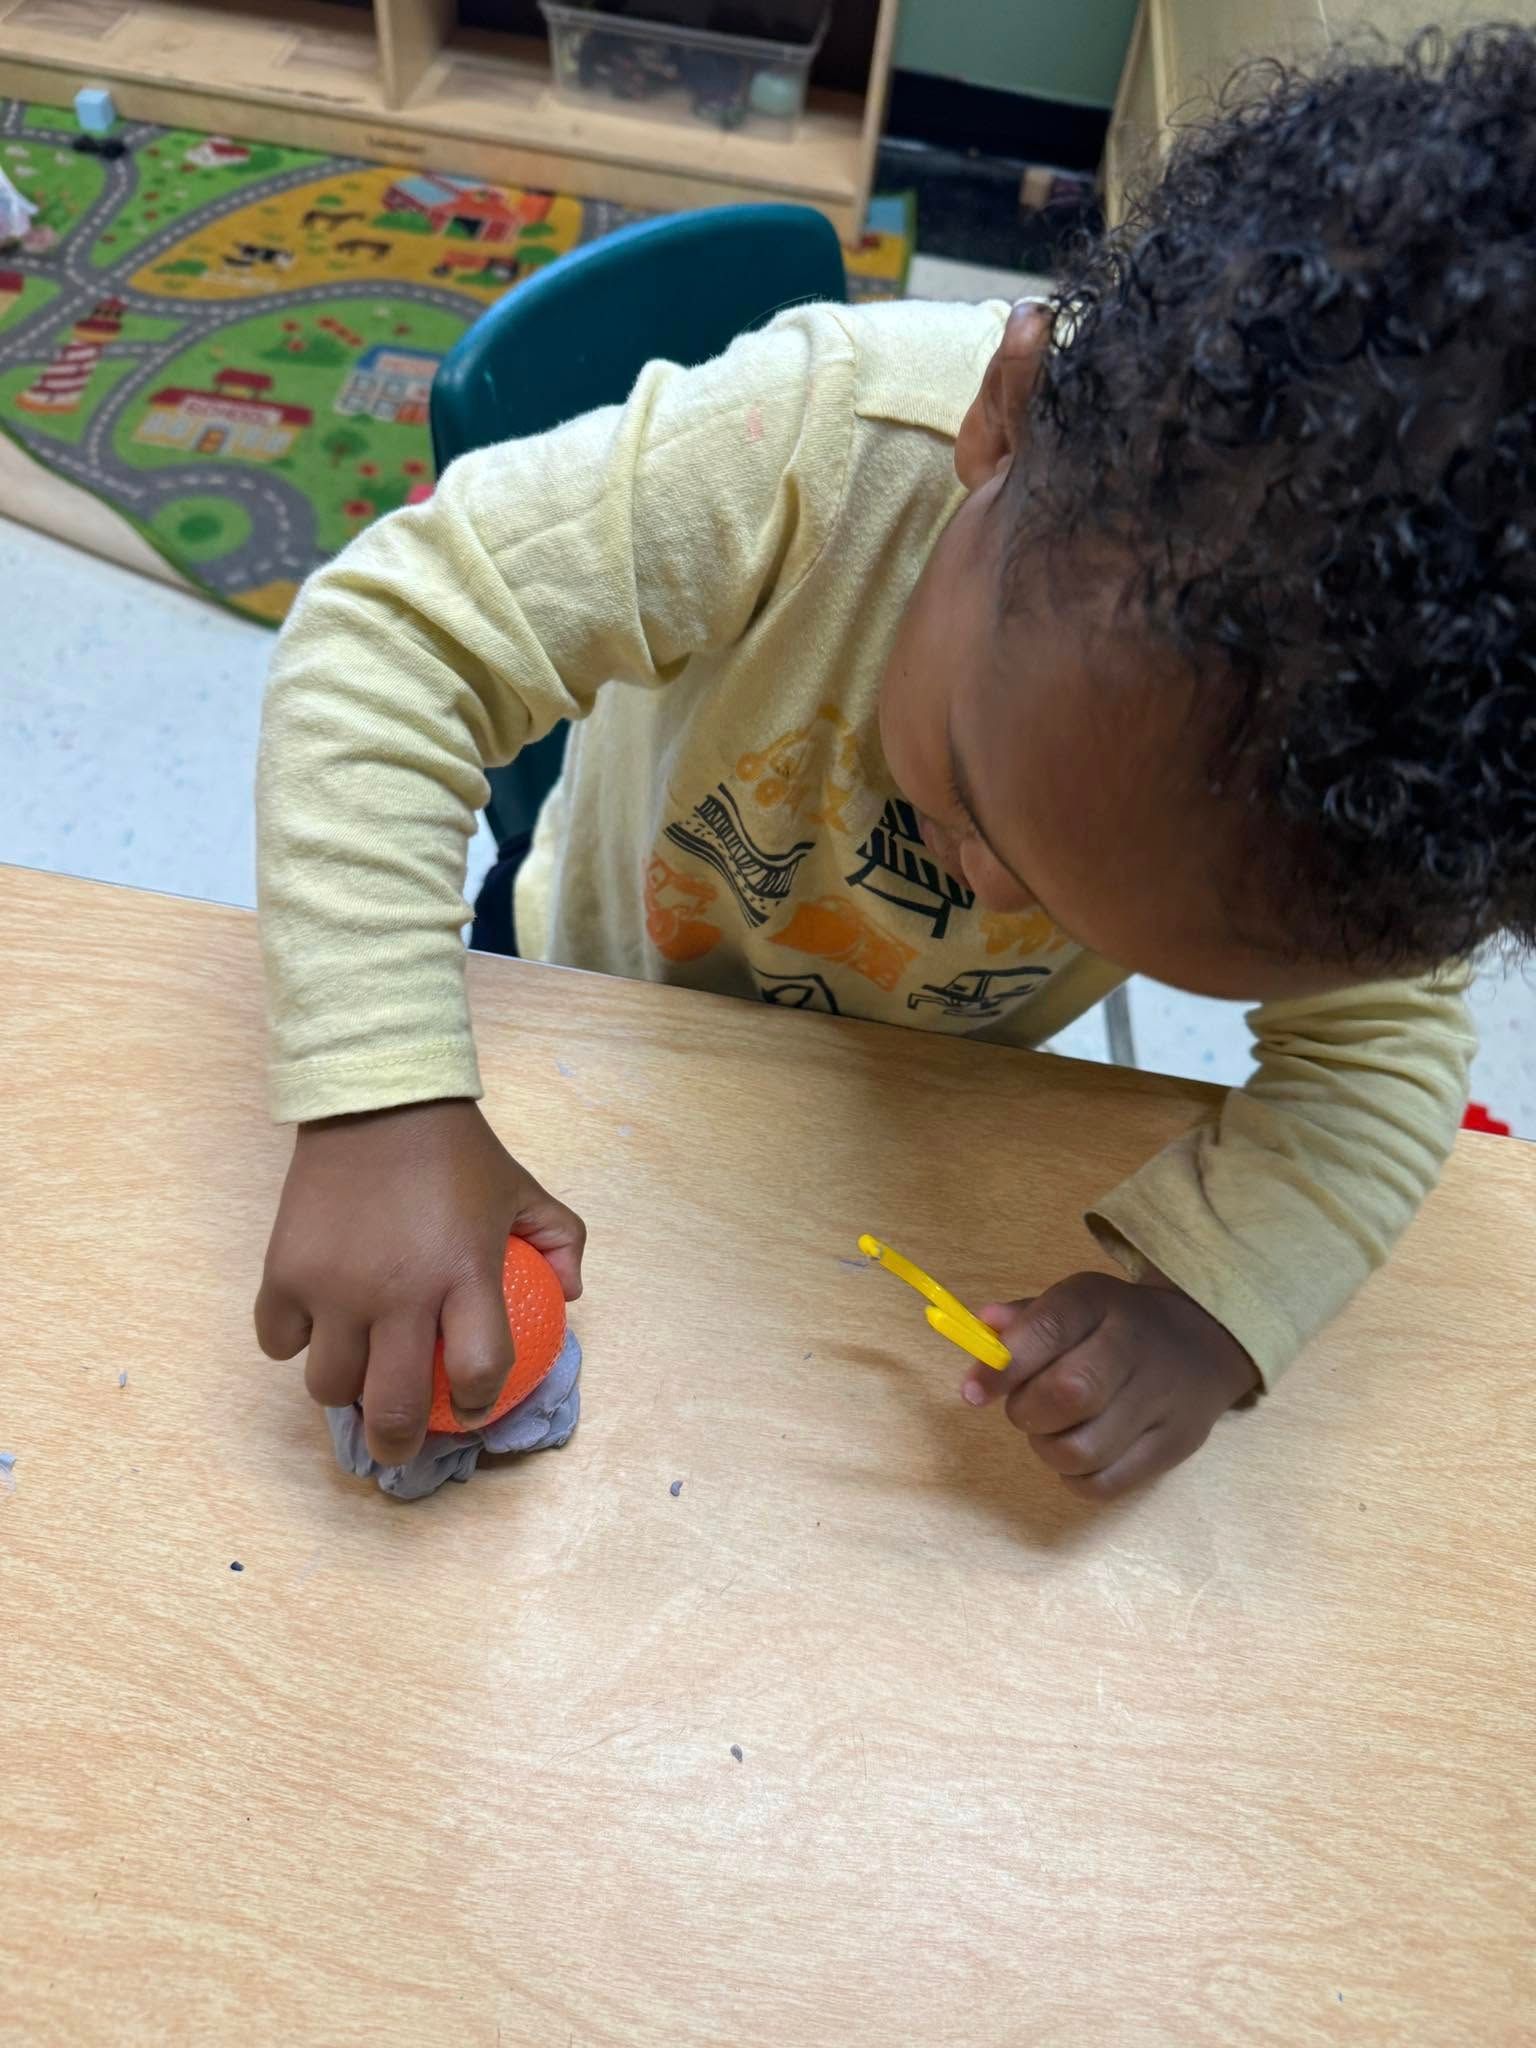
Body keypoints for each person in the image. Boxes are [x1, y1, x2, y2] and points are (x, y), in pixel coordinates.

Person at [254, 29, 1535, 1500]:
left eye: (1088, 923)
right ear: (1008, 417)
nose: (985, 888)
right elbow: (389, 637)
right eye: (982, 802)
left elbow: (1387, 1059)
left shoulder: (1388, 809)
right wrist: (380, 1102)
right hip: (585, 984)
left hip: (902, 1097)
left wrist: (1210, 1310)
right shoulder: (817, 443)